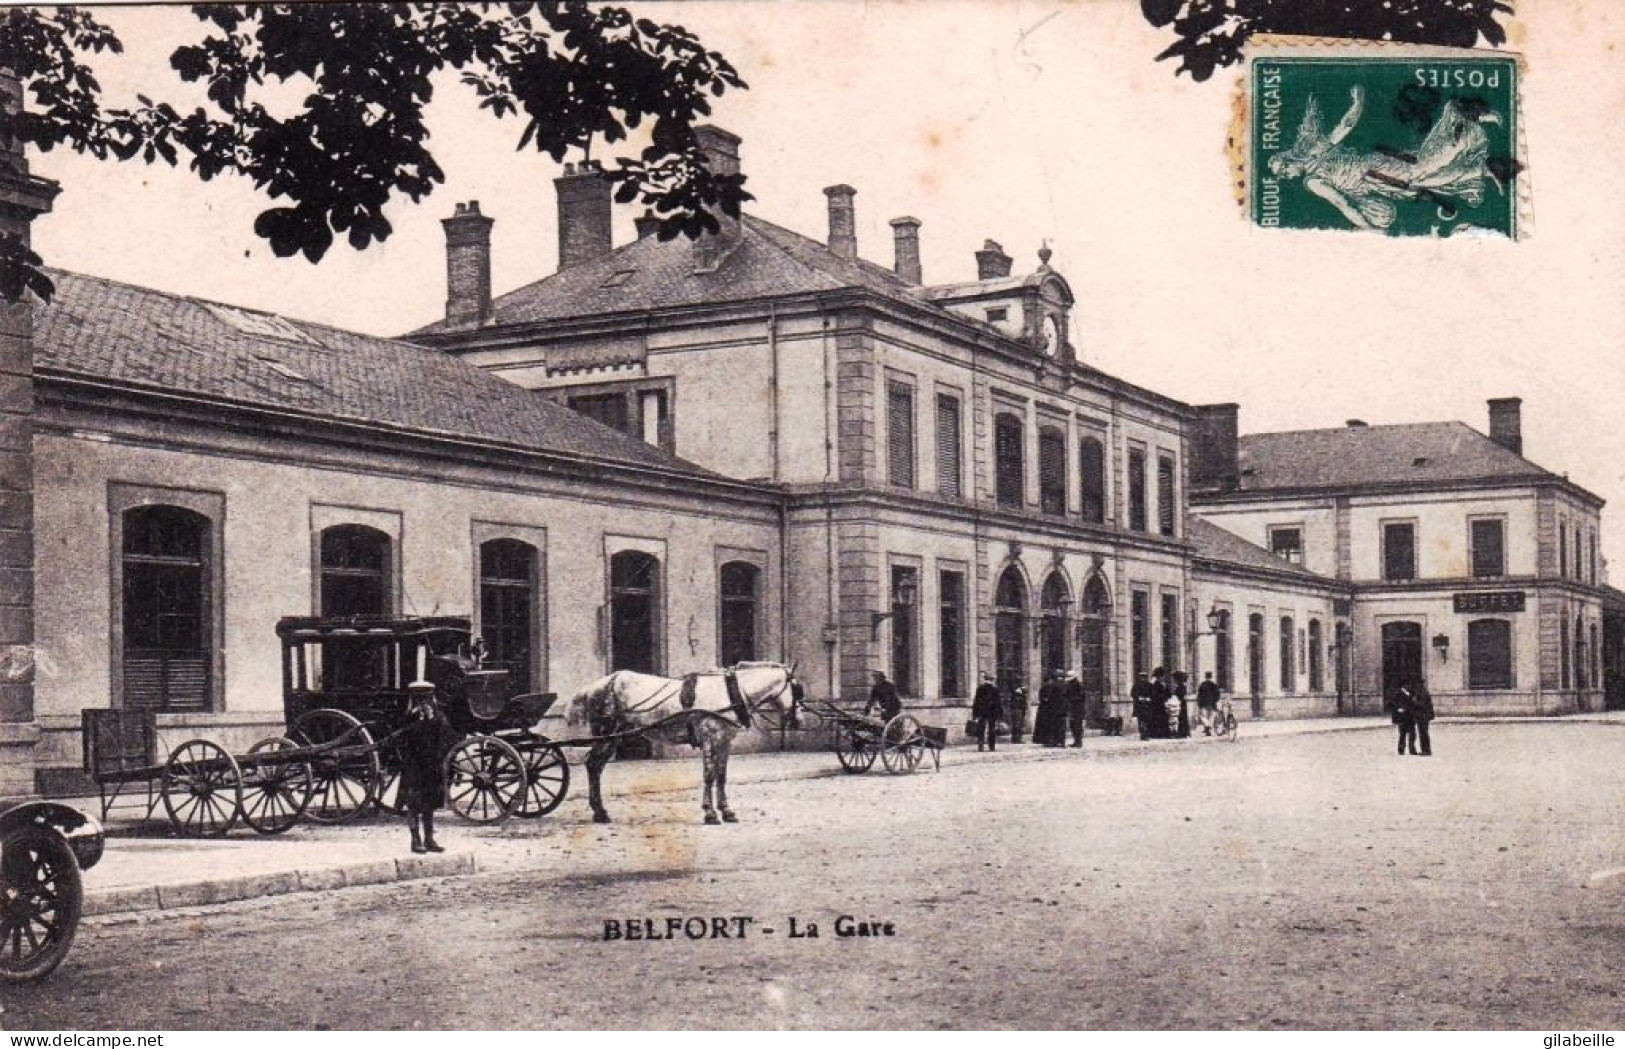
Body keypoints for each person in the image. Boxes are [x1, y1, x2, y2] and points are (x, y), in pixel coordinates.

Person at [399, 680, 454, 854]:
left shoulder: (438, 716)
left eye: (427, 698)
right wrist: (419, 720)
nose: (424, 702)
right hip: (413, 765)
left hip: (432, 765)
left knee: (430, 804)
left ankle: (429, 838)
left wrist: (431, 720)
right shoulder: (408, 716)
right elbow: (403, 739)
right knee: (414, 804)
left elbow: (447, 736)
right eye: (420, 698)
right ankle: (415, 840)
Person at [971, 672, 1002, 753]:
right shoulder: (995, 689)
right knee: (992, 729)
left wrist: (975, 714)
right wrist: (1000, 714)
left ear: (985, 679)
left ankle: (980, 745)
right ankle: (991, 746)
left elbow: (976, 702)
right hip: (992, 712)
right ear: (992, 680)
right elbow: (998, 703)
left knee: (981, 728)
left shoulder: (980, 688)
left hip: (982, 711)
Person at [1036, 671, 1066, 747]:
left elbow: (1049, 698)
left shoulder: (1053, 686)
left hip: (1053, 709)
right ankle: (1060, 742)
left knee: (1052, 726)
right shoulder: (1064, 685)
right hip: (1061, 709)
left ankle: (1052, 741)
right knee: (1060, 726)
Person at [1386, 683, 1416, 756]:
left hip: (1410, 717)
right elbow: (1390, 703)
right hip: (1402, 718)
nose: (1408, 686)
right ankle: (1401, 749)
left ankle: (1412, 749)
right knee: (1402, 734)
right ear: (1403, 686)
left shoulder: (1410, 693)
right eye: (1407, 685)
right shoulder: (1397, 694)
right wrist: (1398, 709)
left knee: (1413, 734)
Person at [1411, 679, 1435, 756]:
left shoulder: (1423, 693)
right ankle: (1424, 750)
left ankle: (1426, 750)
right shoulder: (1422, 692)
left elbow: (1422, 705)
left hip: (1423, 717)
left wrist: (1414, 701)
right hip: (1422, 717)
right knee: (1422, 734)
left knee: (1424, 733)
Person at [1064, 671, 1087, 747]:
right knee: (1073, 725)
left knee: (1077, 725)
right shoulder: (1070, 685)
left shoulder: (1079, 685)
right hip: (1073, 708)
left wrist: (1071, 699)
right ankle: (1076, 741)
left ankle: (1078, 742)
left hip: (1078, 708)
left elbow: (1082, 696)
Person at [1195, 671, 1221, 736]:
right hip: (1212, 703)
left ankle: (1207, 726)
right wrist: (1215, 701)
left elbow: (1199, 694)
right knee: (1211, 716)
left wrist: (1198, 702)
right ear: (1211, 677)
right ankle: (1208, 727)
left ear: (1205, 677)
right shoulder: (1214, 685)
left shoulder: (1202, 684)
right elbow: (1217, 694)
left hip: (1203, 703)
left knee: (1203, 716)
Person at [1148, 667, 1170, 740]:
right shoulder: (1156, 683)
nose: (1161, 677)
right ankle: (1159, 733)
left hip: (1157, 703)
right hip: (1157, 703)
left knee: (1157, 718)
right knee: (1158, 718)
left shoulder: (1155, 683)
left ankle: (1157, 733)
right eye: (1160, 676)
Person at [1130, 672, 1154, 740]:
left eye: (1144, 677)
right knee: (1141, 721)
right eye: (1141, 677)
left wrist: (1149, 698)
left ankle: (1146, 734)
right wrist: (1139, 698)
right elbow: (1132, 694)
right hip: (1139, 706)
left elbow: (1153, 694)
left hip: (1148, 706)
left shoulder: (1150, 685)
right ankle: (1143, 734)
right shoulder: (1136, 685)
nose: (1143, 678)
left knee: (1147, 720)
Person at [1171, 670, 1191, 738]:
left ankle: (1182, 732)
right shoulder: (1181, 686)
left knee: (1181, 718)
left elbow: (1180, 695)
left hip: (1180, 703)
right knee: (1182, 718)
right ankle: (1183, 732)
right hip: (1182, 703)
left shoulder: (1180, 686)